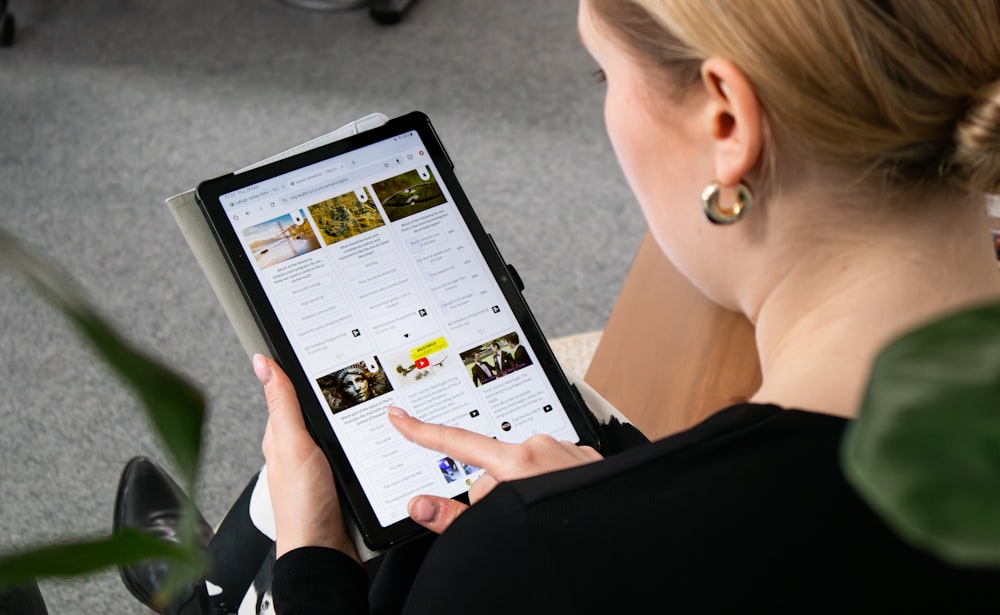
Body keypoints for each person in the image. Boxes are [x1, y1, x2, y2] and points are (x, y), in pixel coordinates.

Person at [118, 0, 1000, 612]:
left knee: (305, 499)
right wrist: (608, 491)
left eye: (600, 75)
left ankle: (214, 581)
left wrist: (316, 549)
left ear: (728, 121)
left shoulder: (533, 561)